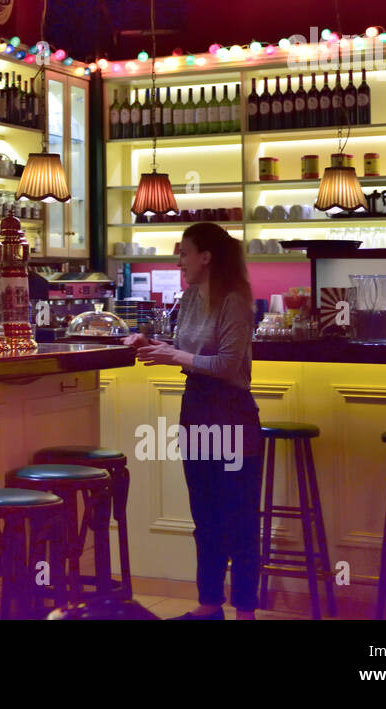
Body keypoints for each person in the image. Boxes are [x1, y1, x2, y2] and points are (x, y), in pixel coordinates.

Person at [123, 222, 261, 620]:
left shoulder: (234, 299)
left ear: (206, 257)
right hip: (197, 407)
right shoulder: (191, 297)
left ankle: (246, 611)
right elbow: (185, 351)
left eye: (183, 252)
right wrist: (147, 343)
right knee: (205, 514)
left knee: (238, 516)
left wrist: (176, 357)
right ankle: (208, 606)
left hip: (231, 412)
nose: (178, 260)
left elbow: (226, 364)